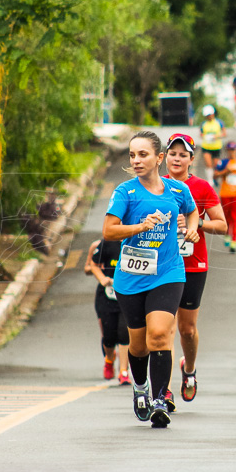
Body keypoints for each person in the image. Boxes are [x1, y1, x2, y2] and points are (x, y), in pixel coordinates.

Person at [103, 131, 199, 428]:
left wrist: (192, 229)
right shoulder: (125, 192)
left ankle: (159, 398)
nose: (136, 160)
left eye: (143, 154)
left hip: (168, 272)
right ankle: (141, 387)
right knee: (139, 345)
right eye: (132, 155)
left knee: (159, 334)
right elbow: (109, 231)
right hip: (130, 277)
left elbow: (193, 212)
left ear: (159, 158)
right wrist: (139, 227)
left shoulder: (177, 190)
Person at [163, 133, 228, 405]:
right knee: (162, 328)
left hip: (193, 264)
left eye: (182, 154)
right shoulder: (153, 186)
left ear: (192, 159)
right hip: (161, 265)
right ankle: (162, 389)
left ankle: (189, 370)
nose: (177, 159)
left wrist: (197, 224)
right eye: (172, 153)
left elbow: (222, 225)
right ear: (164, 156)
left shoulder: (201, 187)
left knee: (186, 330)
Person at [85, 238, 131, 385]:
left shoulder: (136, 241)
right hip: (107, 295)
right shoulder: (107, 242)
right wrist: (103, 279)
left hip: (127, 294)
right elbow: (93, 264)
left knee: (125, 333)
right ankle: (109, 359)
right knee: (109, 335)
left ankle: (124, 371)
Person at [214, 141, 236, 253]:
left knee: (234, 217)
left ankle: (234, 241)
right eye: (230, 150)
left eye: (233, 149)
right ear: (227, 151)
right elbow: (215, 175)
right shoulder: (222, 162)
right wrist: (225, 172)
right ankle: (227, 233)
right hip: (226, 193)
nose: (232, 152)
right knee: (227, 215)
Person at [198, 104, 227, 186]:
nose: (208, 117)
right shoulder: (203, 124)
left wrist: (216, 136)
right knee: (208, 164)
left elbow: (224, 133)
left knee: (216, 165)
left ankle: (215, 179)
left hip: (216, 147)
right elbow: (201, 134)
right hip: (206, 146)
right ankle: (210, 181)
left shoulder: (219, 123)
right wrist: (206, 137)